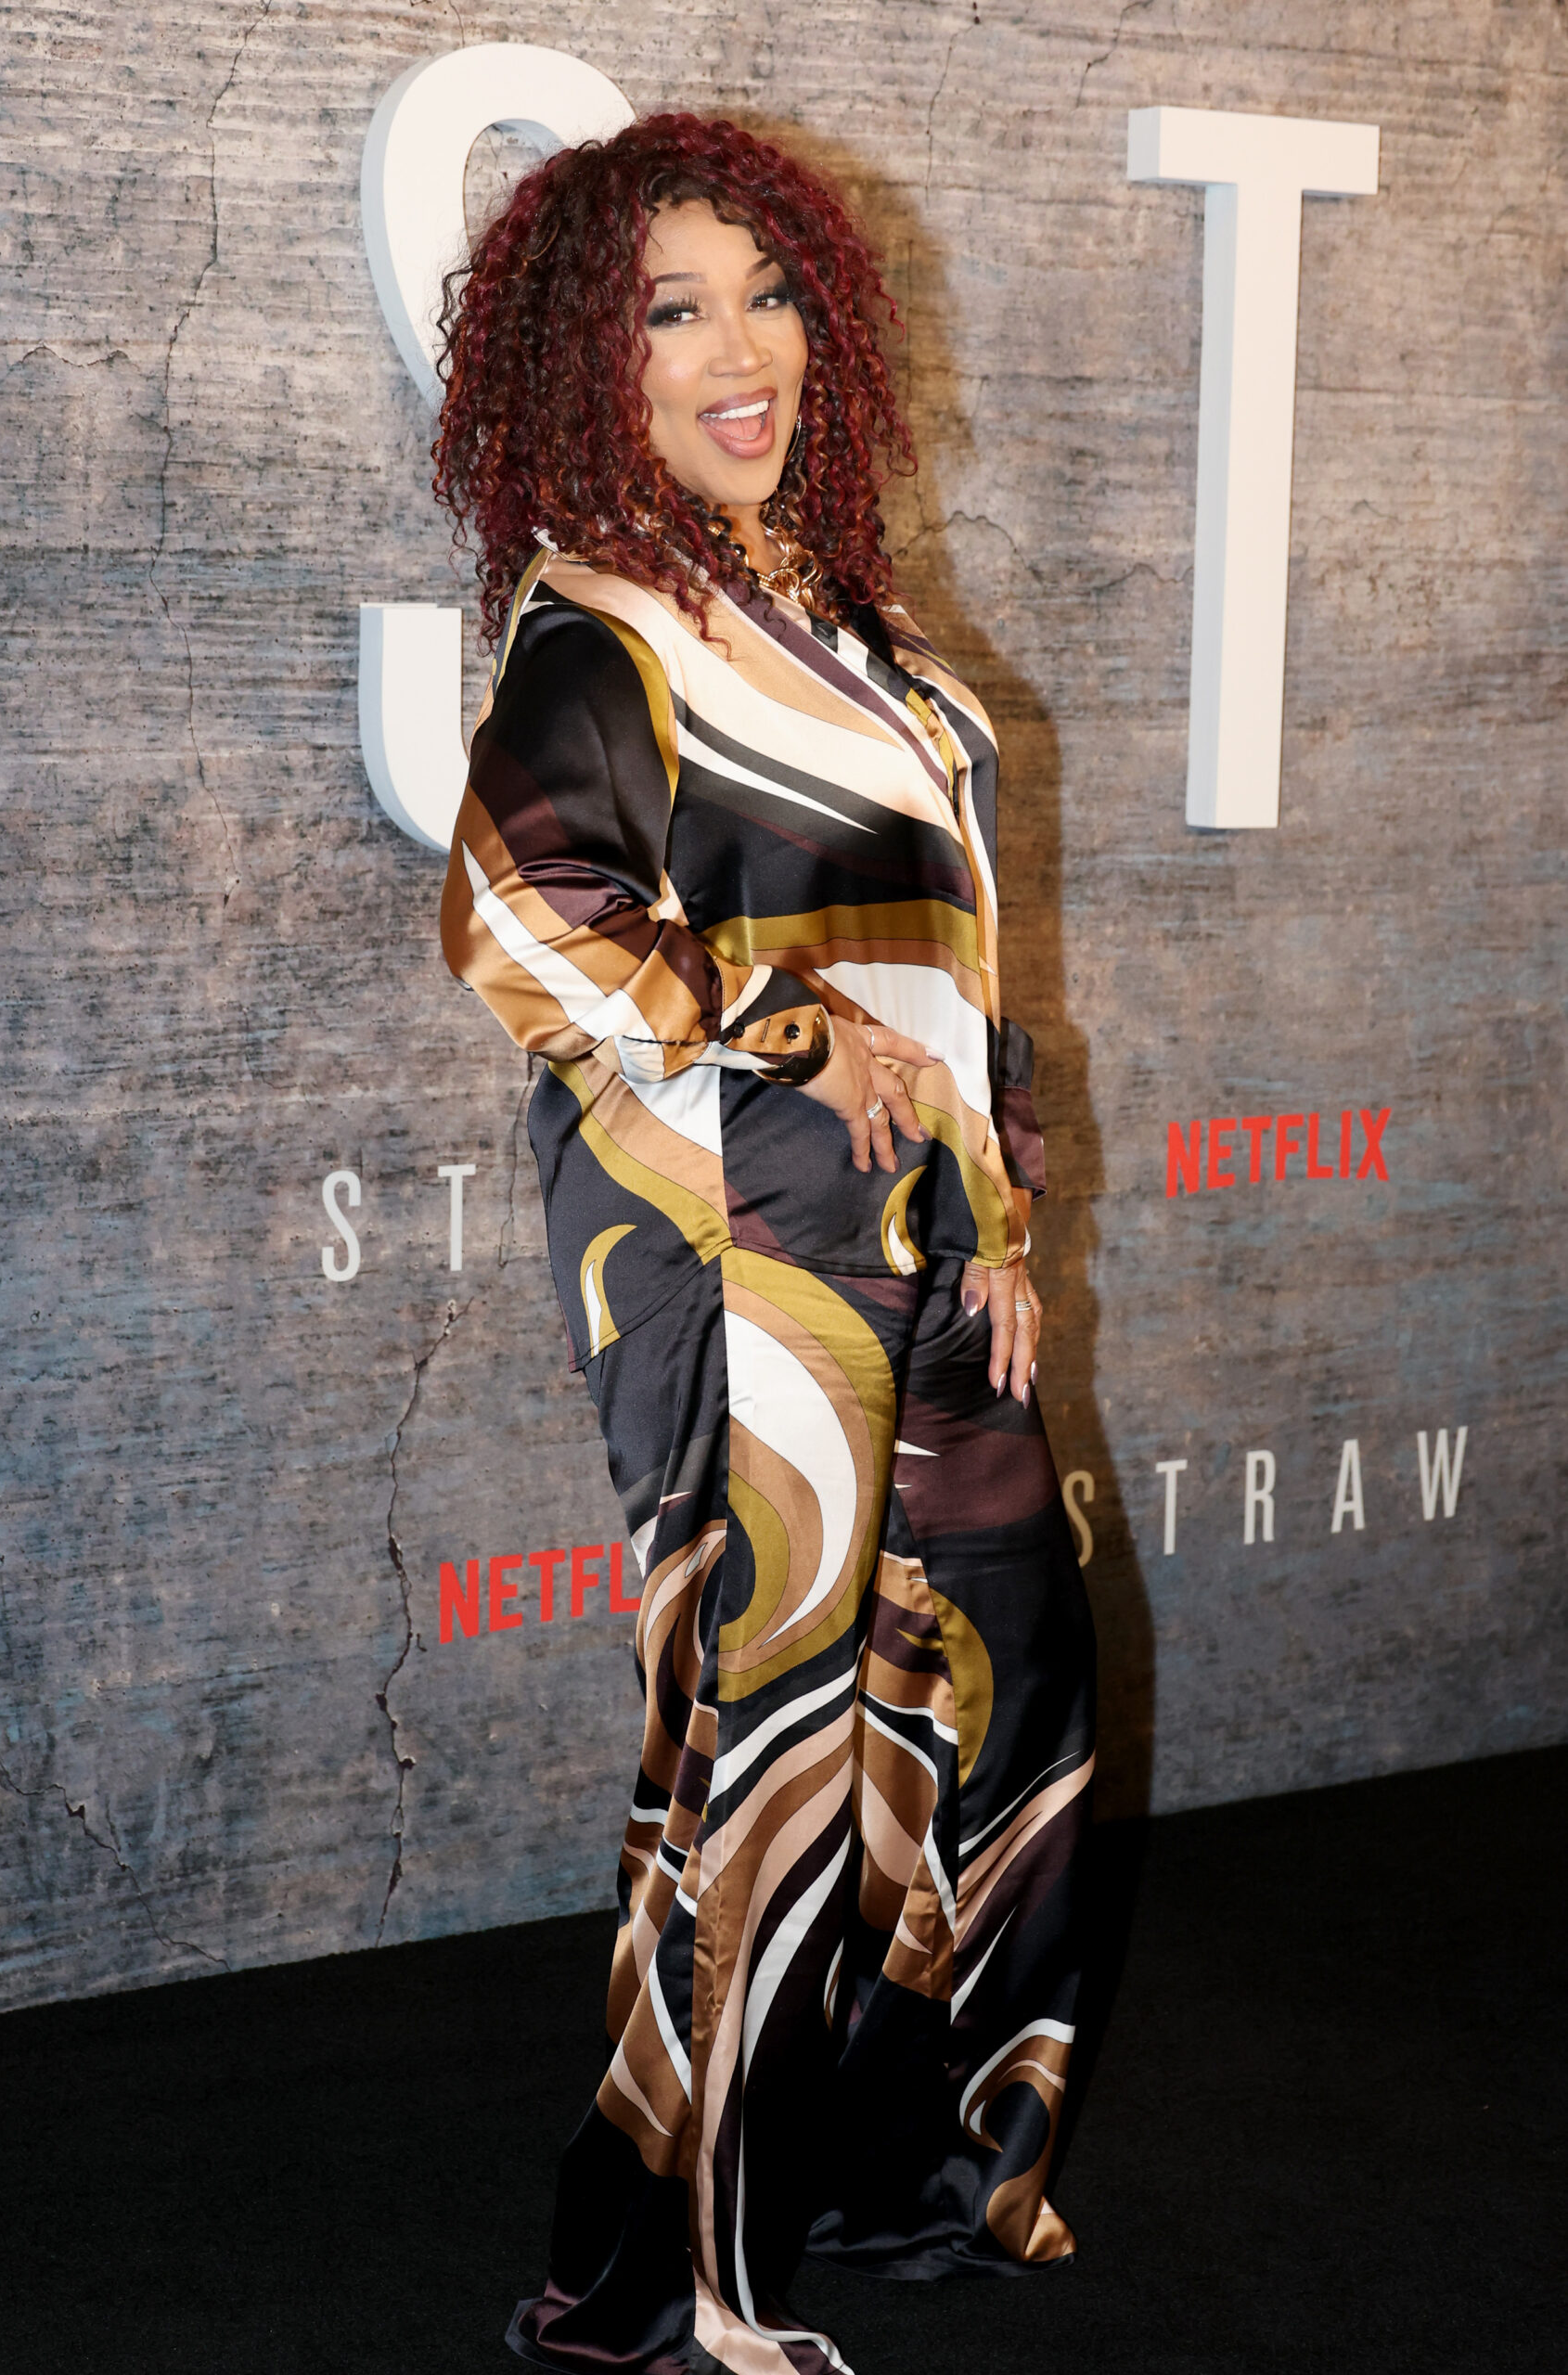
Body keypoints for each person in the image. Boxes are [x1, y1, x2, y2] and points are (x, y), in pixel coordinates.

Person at [433, 110, 1097, 2375]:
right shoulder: (597, 622)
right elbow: (518, 915)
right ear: (588, 367)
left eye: (768, 296)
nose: (743, 352)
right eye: (673, 313)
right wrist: (787, 1021)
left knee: (1000, 1689)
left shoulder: (848, 615)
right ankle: (678, 2277)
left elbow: (957, 950)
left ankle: (904, 2164)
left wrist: (1004, 1201)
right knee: (771, 1724)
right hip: (739, 1248)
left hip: (928, 1244)